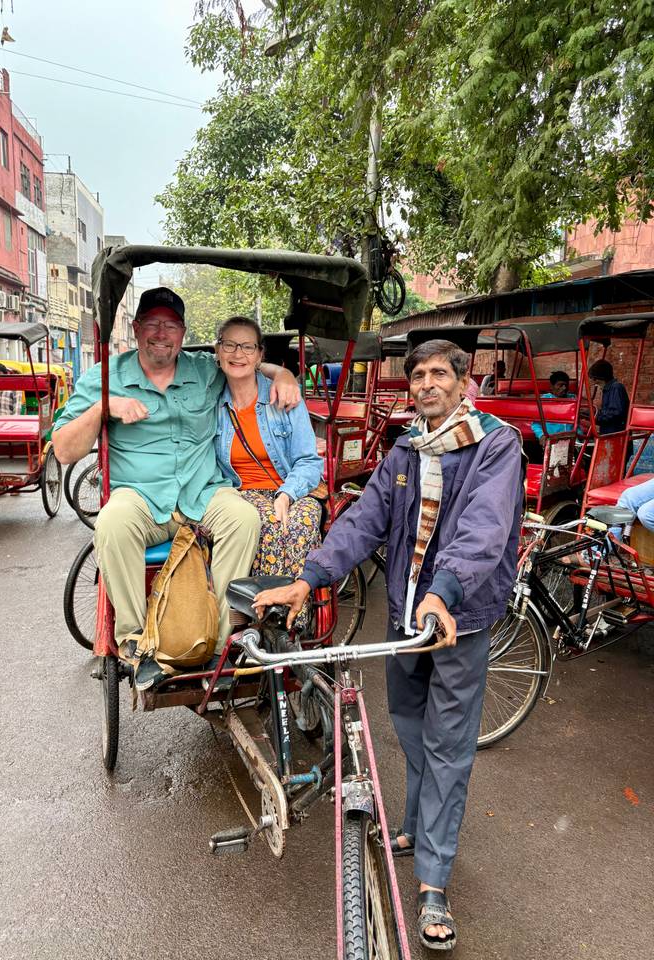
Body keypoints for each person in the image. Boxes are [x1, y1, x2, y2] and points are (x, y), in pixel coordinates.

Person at [253, 339, 524, 951]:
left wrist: (445, 592)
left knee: (450, 744)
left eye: (438, 375)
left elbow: (485, 529)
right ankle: (414, 823)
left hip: (458, 620)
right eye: (418, 376)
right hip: (406, 617)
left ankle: (433, 881)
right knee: (406, 720)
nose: (427, 384)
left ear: (462, 381)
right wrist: (309, 576)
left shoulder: (494, 445)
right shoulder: (404, 449)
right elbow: (363, 521)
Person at [51, 287, 300, 691]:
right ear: (136, 328)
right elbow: (63, 450)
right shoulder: (104, 378)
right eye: (152, 323)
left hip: (202, 493)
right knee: (112, 521)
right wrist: (103, 408)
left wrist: (283, 373)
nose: (161, 333)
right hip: (141, 498)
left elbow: (244, 363)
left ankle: (222, 645)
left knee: (243, 517)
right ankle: (135, 643)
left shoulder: (204, 369)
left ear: (182, 332)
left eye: (170, 325)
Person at [213, 316, 324, 628]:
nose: (238, 354)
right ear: (218, 350)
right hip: (237, 493)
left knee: (304, 518)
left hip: (290, 486)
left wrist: (287, 494)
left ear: (260, 355)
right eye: (230, 345)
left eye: (247, 346)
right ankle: (263, 621)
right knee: (269, 524)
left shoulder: (284, 396)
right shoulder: (210, 398)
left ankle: (291, 623)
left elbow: (308, 460)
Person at [531, 370, 576, 443]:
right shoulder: (544, 401)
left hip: (572, 439)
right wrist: (541, 436)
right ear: (551, 386)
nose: (564, 388)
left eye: (566, 385)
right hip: (553, 439)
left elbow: (577, 424)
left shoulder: (573, 399)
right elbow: (536, 424)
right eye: (560, 385)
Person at [587, 359, 629, 434]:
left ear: (600, 378)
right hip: (609, 432)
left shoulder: (616, 387)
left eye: (594, 379)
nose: (594, 381)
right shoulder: (608, 389)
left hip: (616, 434)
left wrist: (595, 416)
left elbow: (616, 413)